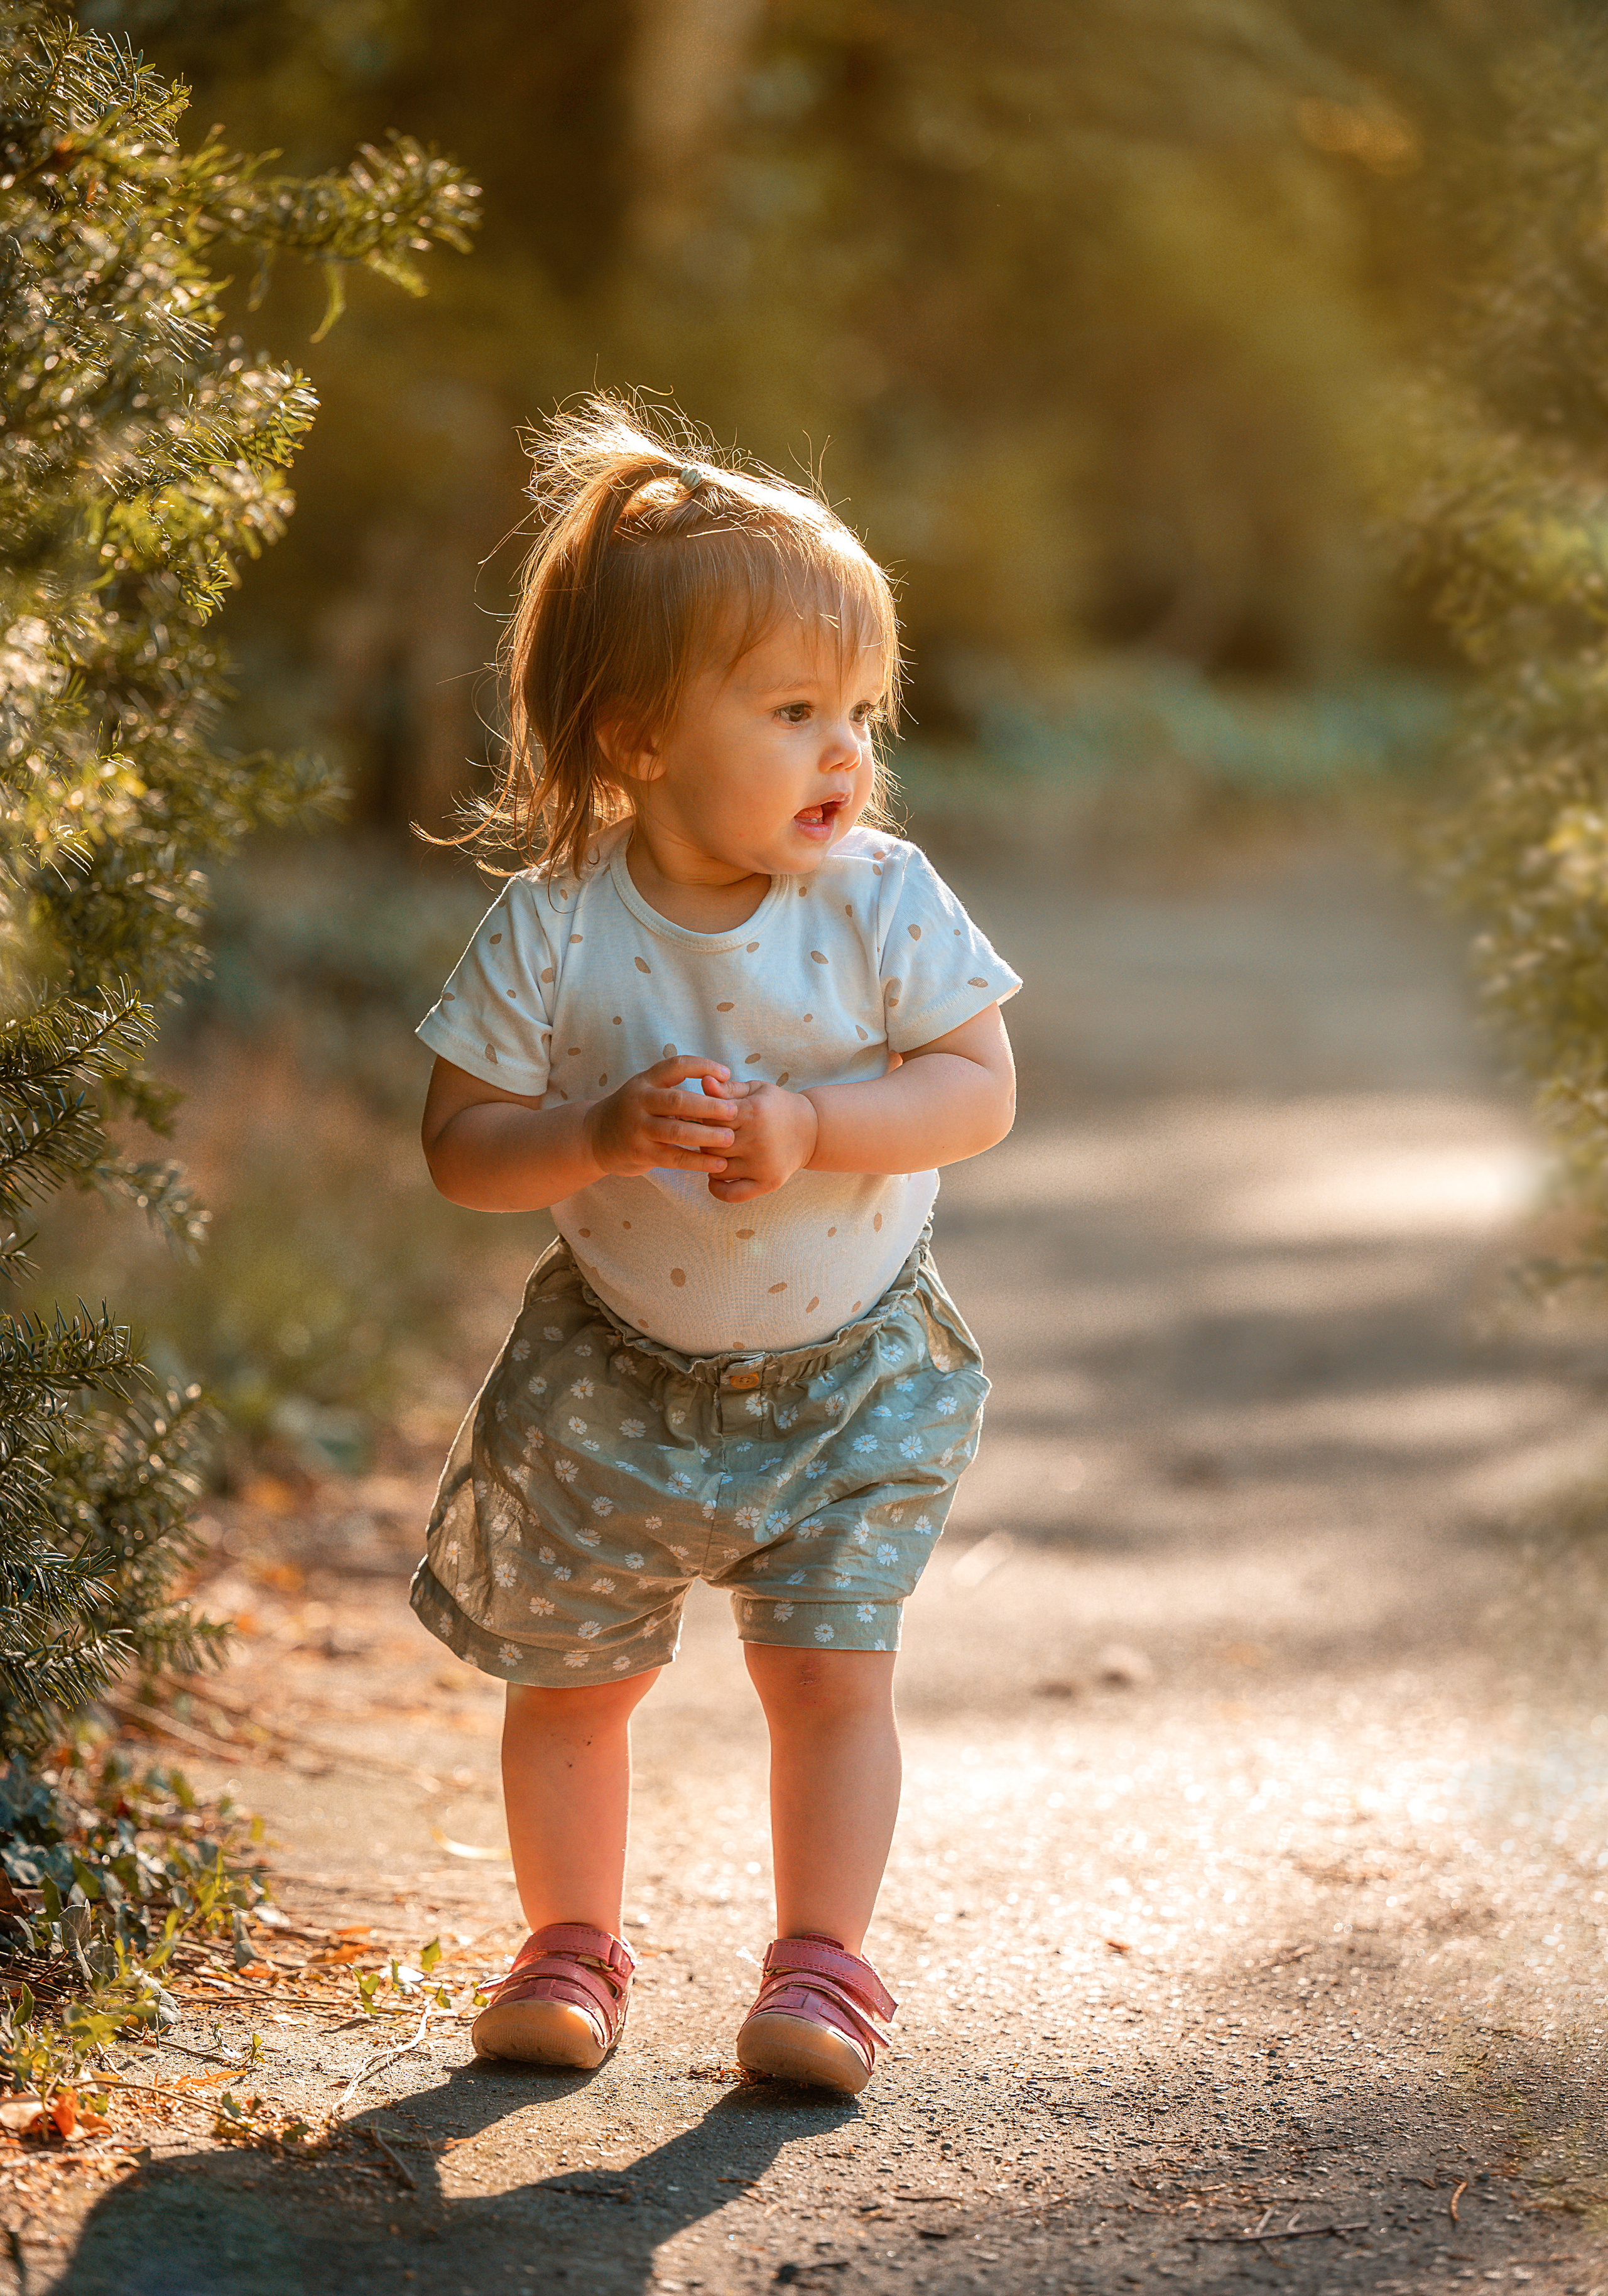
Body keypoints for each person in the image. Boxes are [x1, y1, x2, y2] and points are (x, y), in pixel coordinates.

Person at [413, 396, 1020, 2096]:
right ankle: (570, 1944)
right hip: (611, 1369)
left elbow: (980, 1089)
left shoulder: (882, 898)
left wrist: (823, 1127)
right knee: (573, 1682)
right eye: (794, 711)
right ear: (639, 735)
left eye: (862, 714)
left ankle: (822, 1966)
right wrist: (597, 1136)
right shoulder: (552, 926)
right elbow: (460, 1149)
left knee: (828, 1671)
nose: (847, 755)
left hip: (851, 1365)